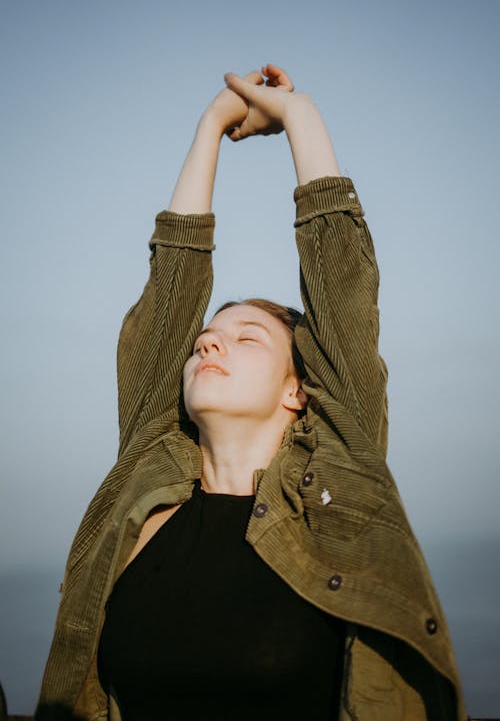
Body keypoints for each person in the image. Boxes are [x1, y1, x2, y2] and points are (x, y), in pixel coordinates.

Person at [36, 65, 467, 720]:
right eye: (206, 338)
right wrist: (211, 126)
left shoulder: (340, 476)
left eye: (246, 340)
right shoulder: (146, 475)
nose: (209, 343)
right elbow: (170, 292)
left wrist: (300, 115)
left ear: (298, 391)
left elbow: (343, 293)